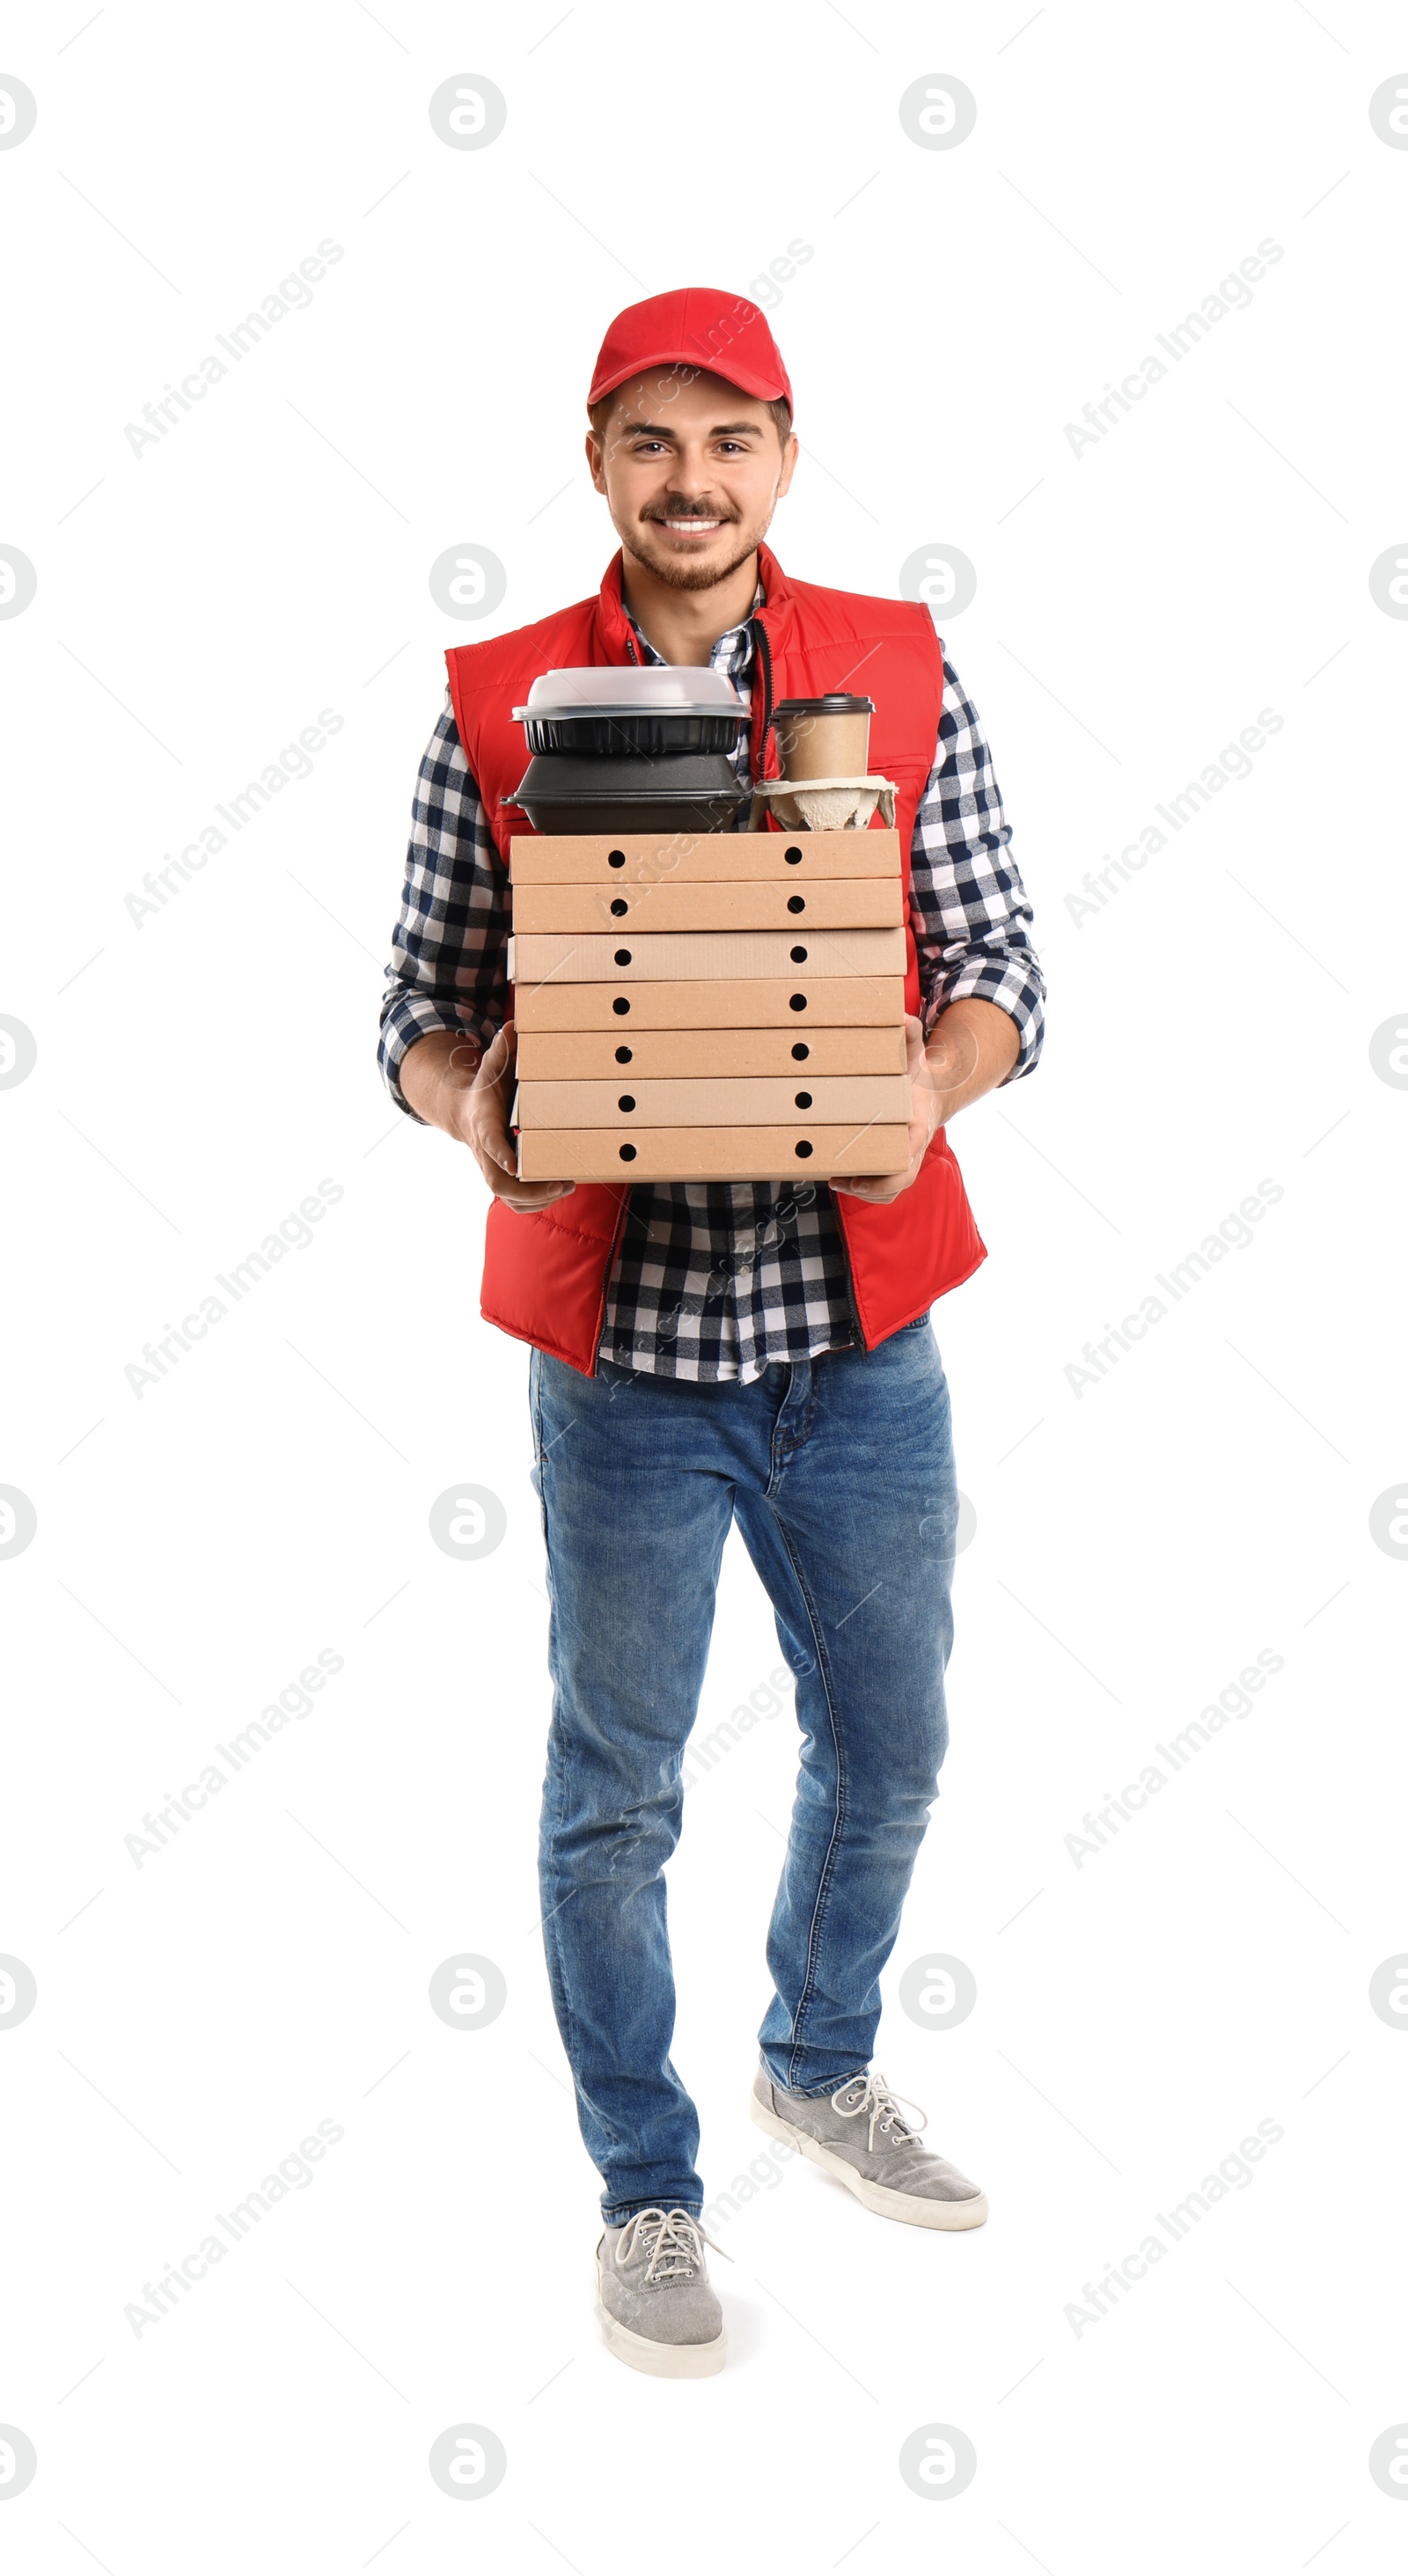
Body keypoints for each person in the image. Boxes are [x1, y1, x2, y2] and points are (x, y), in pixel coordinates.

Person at [378, 287, 1045, 2378]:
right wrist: (469, 1101)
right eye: (647, 442)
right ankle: (644, 2191)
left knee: (894, 1741)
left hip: (858, 1343)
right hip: (625, 1368)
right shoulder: (501, 701)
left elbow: (1004, 956)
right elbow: (414, 1003)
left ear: (784, 449)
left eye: (727, 439)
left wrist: (925, 1089)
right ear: (594, 460)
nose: (691, 481)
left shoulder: (900, 669)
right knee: (616, 1792)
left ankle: (816, 2059)